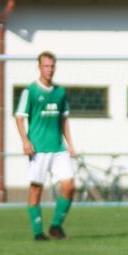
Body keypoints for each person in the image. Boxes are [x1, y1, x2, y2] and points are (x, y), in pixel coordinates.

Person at [15, 51, 76, 241]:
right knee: (36, 189)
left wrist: (70, 144)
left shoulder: (60, 92)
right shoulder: (30, 91)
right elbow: (19, 117)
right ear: (39, 67)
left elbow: (64, 120)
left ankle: (56, 226)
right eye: (46, 66)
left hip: (58, 148)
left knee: (69, 185)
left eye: (52, 66)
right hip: (39, 149)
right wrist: (25, 141)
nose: (49, 69)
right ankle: (37, 232)